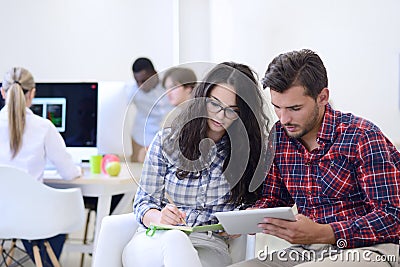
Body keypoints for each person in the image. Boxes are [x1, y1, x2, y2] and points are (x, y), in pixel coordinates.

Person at [231, 49, 400, 267]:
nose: (284, 118)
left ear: (322, 97)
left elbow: (393, 218)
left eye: (295, 108)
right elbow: (275, 199)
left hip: (371, 249)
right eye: (277, 107)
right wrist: (248, 217)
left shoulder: (362, 137)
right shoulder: (280, 136)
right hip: (308, 250)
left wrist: (324, 233)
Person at [122, 62, 273, 267]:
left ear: (244, 114)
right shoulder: (167, 142)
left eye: (232, 110)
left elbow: (254, 206)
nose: (220, 115)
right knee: (175, 239)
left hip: (208, 246)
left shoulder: (247, 153)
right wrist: (161, 217)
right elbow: (143, 203)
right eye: (215, 104)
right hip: (155, 239)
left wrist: (238, 223)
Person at [0, 67, 81, 266]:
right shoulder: (43, 127)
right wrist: (78, 169)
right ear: (33, 93)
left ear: (3, 92)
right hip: (32, 218)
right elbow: (69, 173)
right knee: (58, 215)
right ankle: (45, 263)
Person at [125, 57, 172, 162]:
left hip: (169, 140)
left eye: (144, 80)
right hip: (141, 140)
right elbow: (116, 107)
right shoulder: (131, 90)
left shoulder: (170, 84)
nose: (140, 85)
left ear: (154, 74)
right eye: (137, 81)